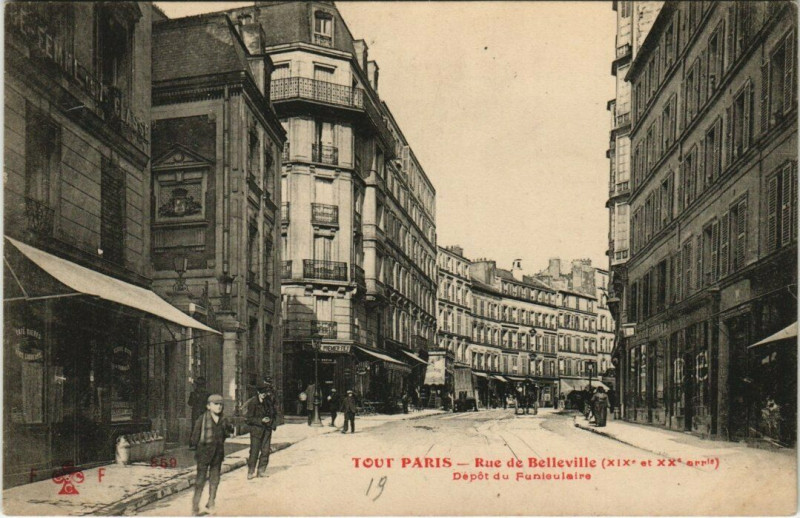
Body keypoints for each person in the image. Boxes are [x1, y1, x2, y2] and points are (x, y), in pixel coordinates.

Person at [189, 394, 233, 515]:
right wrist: (198, 448)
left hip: (218, 454)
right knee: (200, 481)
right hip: (203, 454)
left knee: (215, 480)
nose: (219, 407)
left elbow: (228, 431)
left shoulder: (224, 420)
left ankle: (211, 502)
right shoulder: (202, 419)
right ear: (208, 406)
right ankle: (195, 506)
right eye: (216, 404)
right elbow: (194, 438)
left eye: (220, 404)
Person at [244, 380, 277, 479]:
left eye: (265, 393)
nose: (264, 395)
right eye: (262, 393)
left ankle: (261, 471)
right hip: (256, 431)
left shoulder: (268, 401)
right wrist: (261, 420)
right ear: (258, 392)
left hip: (267, 430)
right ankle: (251, 471)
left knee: (266, 451)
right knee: (254, 452)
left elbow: (273, 413)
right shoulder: (253, 402)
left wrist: (271, 422)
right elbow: (249, 419)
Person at [187, 378, 209, 442]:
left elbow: (189, 403)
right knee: (203, 427)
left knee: (194, 427)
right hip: (203, 412)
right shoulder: (207, 394)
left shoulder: (193, 393)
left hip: (195, 412)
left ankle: (194, 443)